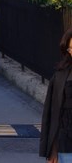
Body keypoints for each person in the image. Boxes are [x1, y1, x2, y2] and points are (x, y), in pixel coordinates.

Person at [40, 28, 72, 163]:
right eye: (70, 48)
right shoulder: (60, 75)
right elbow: (52, 114)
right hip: (66, 144)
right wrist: (52, 149)